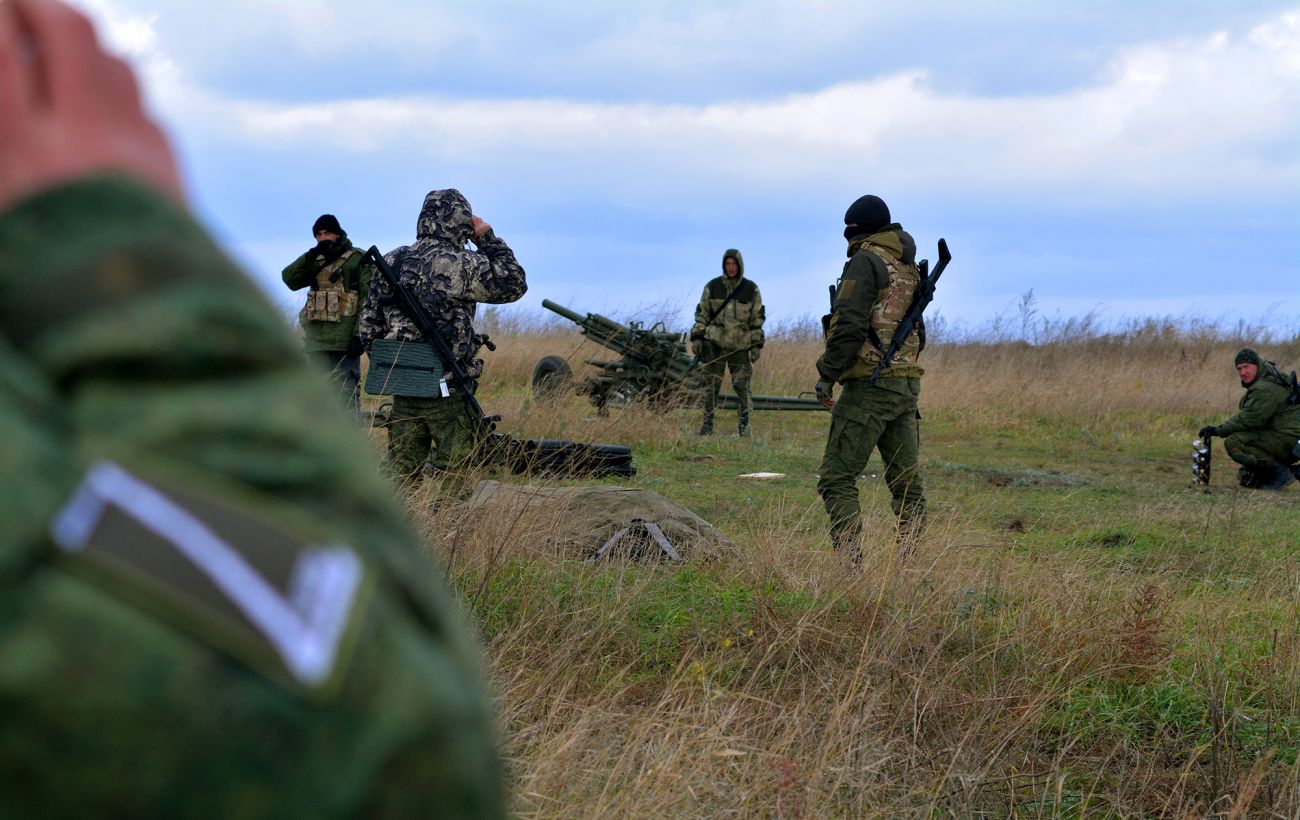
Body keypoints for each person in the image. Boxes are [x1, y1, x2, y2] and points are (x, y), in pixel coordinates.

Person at [0, 1, 503, 815]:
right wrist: (116, 239)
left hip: (359, 363)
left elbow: (372, 316)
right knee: (424, 450)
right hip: (344, 365)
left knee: (410, 445)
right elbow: (396, 747)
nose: (331, 241)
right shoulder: (361, 263)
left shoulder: (390, 262)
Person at [358, 189, 526, 484]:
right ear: (461, 223)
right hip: (448, 389)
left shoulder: (393, 260)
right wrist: (486, 237)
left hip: (404, 387)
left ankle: (401, 528)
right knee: (455, 473)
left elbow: (368, 328)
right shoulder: (463, 263)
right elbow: (515, 283)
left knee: (399, 476)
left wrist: (400, 365)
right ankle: (449, 529)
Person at [813, 194, 927, 564]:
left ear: (855, 230)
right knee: (907, 486)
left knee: (836, 479)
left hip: (871, 384)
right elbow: (917, 332)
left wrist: (827, 375)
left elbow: (848, 325)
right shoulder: (907, 264)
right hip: (906, 385)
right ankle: (911, 566)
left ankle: (850, 566)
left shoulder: (866, 261)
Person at [281, 212, 375, 416]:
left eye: (327, 233)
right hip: (317, 343)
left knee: (346, 401)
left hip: (344, 345)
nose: (323, 238)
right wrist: (309, 257)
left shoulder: (357, 259)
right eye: (319, 234)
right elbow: (289, 279)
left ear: (338, 234)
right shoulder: (314, 260)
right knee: (317, 404)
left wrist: (359, 336)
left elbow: (367, 301)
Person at [1198, 348, 1300, 489]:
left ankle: (1282, 472)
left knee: (1234, 441)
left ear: (1256, 365)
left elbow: (1250, 419)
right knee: (1247, 479)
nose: (1243, 373)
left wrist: (1217, 430)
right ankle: (1276, 470)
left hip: (1289, 440)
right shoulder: (1268, 378)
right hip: (1287, 438)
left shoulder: (1265, 387)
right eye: (1239, 369)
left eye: (1246, 367)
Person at [689, 248, 765, 436]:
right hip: (714, 344)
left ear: (740, 265)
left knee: (742, 387)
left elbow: (757, 319)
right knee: (711, 386)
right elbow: (702, 314)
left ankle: (744, 426)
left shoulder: (751, 289)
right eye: (727, 264)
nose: (731, 267)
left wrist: (756, 344)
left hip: (740, 347)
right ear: (724, 265)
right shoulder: (713, 287)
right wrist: (697, 337)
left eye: (734, 264)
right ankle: (707, 426)